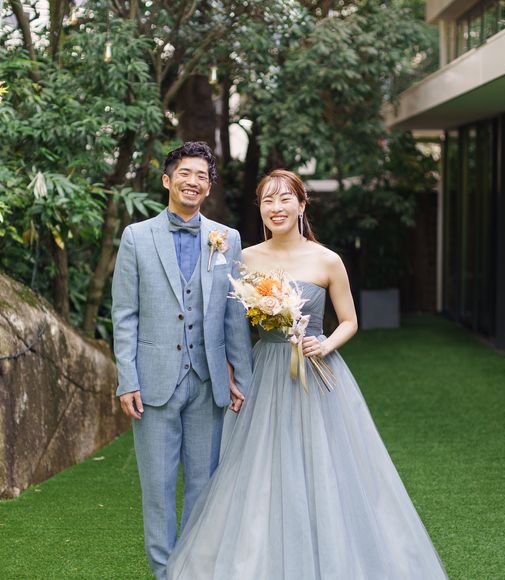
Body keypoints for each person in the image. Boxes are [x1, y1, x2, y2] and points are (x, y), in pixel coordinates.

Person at [166, 169, 448, 579]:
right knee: (259, 464)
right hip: (264, 371)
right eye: (267, 200)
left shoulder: (327, 259)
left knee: (325, 464)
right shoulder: (246, 258)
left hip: (316, 372)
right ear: (260, 209)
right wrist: (230, 365)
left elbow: (349, 321)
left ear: (301, 205)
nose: (276, 208)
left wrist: (326, 344)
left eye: (285, 199)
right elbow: (229, 322)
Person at [111, 141, 253, 580]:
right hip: (153, 381)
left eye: (202, 176)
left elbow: (234, 316)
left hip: (208, 381)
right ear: (167, 180)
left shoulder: (227, 239)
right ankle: (163, 572)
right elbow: (124, 314)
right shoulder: (136, 237)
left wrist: (241, 378)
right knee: (156, 487)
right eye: (185, 174)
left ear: (209, 187)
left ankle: (193, 569)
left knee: (203, 485)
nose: (193, 182)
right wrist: (127, 378)